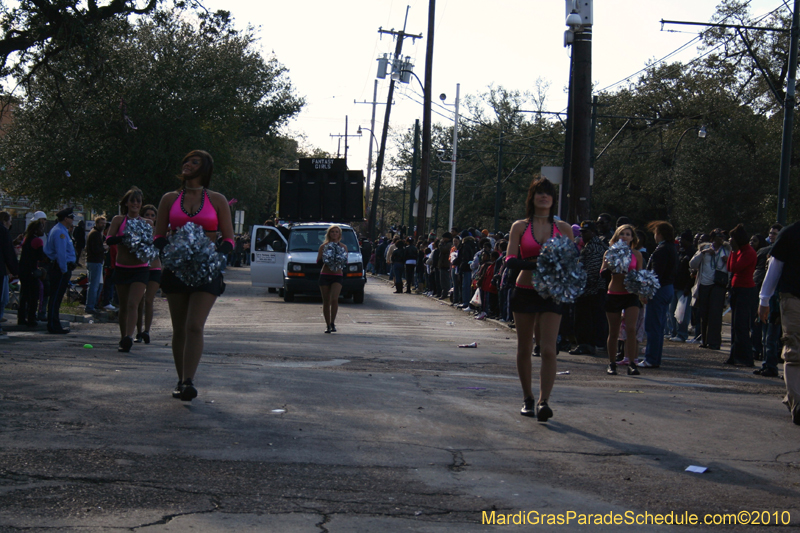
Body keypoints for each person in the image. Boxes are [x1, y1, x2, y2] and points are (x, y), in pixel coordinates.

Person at [154, 150, 234, 402]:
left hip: (206, 270)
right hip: (176, 269)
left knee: (194, 325)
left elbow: (229, 237)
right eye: (186, 160)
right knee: (179, 328)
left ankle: (189, 380)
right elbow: (158, 235)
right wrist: (167, 249)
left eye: (194, 162)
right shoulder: (169, 198)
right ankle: (180, 380)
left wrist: (219, 253)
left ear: (205, 169)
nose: (187, 164)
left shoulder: (217, 199)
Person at [506, 176, 574, 421]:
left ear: (553, 199)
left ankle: (545, 400)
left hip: (552, 293)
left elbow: (571, 262)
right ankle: (528, 398)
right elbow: (510, 260)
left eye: (548, 193)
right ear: (532, 197)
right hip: (524, 290)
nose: (544, 197)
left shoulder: (564, 228)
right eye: (539, 193)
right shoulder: (520, 227)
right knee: (524, 347)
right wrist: (538, 263)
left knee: (548, 349)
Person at [758, 220, 800, 424]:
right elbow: (775, 265)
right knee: (794, 352)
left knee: (794, 353)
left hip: (793, 299)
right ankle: (797, 401)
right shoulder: (790, 233)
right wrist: (764, 299)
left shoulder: (790, 232)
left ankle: (796, 399)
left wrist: (764, 299)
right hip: (793, 299)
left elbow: (775, 266)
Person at [105, 187, 149, 353]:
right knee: (123, 305)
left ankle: (129, 336)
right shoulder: (119, 220)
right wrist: (124, 238)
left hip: (140, 269)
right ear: (126, 203)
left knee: (133, 303)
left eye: (138, 201)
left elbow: (151, 244)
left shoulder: (146, 223)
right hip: (122, 268)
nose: (135, 204)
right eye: (132, 200)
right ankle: (123, 338)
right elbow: (109, 239)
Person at [602, 224, 644, 376]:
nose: (625, 236)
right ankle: (612, 363)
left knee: (631, 329)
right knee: (613, 331)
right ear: (617, 237)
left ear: (633, 238)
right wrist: (611, 267)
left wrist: (643, 290)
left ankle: (632, 363)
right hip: (614, 294)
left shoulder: (637, 254)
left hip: (631, 295)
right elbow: (602, 272)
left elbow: (640, 275)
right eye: (622, 234)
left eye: (628, 234)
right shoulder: (609, 252)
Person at [639, 221, 677, 368]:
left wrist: (646, 292)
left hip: (659, 290)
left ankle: (651, 358)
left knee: (653, 326)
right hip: (668, 288)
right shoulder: (672, 248)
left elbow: (655, 275)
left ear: (660, 234)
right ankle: (655, 357)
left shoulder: (661, 250)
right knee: (659, 326)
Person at [570, 221, 608, 355]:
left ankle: (586, 344)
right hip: (590, 289)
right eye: (581, 232)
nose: (582, 235)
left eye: (584, 232)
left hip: (591, 290)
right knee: (587, 319)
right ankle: (588, 344)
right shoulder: (591, 245)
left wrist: (582, 286)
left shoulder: (595, 247)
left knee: (585, 319)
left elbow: (593, 271)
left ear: (592, 232)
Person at [689, 229, 730, 350]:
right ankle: (704, 340)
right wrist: (703, 253)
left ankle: (715, 342)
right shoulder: (704, 248)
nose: (721, 239)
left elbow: (732, 268)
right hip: (705, 284)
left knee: (716, 313)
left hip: (719, 284)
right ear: (712, 239)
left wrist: (727, 261)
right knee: (704, 313)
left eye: (722, 237)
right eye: (718, 237)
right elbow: (692, 264)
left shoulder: (727, 250)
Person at [725, 223, 757, 367]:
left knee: (741, 326)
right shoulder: (738, 251)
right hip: (736, 288)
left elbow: (735, 267)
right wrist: (733, 252)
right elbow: (730, 267)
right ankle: (734, 356)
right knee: (735, 325)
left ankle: (747, 358)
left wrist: (734, 251)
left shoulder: (748, 252)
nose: (730, 240)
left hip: (745, 290)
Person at [43, 207, 77, 334]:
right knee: (56, 297)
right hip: (59, 269)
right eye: (71, 217)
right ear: (66, 218)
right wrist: (63, 269)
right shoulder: (59, 232)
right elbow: (61, 253)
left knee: (56, 297)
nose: (73, 219)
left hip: (61, 268)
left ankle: (54, 323)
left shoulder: (62, 230)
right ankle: (53, 325)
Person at [135, 205, 161, 344]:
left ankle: (147, 331)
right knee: (138, 301)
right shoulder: (138, 231)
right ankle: (138, 331)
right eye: (147, 215)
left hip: (155, 268)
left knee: (149, 300)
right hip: (141, 268)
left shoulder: (159, 232)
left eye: (152, 215)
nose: (149, 218)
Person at [317, 224, 347, 333]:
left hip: (337, 276)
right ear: (329, 233)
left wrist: (338, 260)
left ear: (339, 234)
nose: (334, 233)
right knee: (326, 301)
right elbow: (318, 261)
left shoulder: (343, 247)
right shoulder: (323, 246)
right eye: (332, 232)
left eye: (336, 232)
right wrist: (328, 259)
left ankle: (333, 322)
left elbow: (345, 262)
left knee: (334, 298)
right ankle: (328, 324)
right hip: (325, 275)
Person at [667, 231, 695, 342]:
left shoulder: (692, 252)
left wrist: (688, 287)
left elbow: (692, 273)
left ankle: (682, 334)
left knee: (683, 313)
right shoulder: (680, 252)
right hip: (675, 285)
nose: (681, 242)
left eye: (683, 240)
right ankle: (674, 332)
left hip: (685, 288)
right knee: (672, 311)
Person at [18, 220, 46, 327]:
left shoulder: (26, 239)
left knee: (24, 295)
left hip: (23, 270)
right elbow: (40, 257)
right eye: (41, 228)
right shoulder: (38, 241)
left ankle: (21, 318)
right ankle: (31, 318)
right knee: (34, 295)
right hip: (32, 271)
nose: (43, 230)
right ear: (36, 230)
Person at [84, 216, 106, 314]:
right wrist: (104, 248)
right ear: (97, 223)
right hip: (94, 261)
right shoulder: (95, 234)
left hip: (96, 262)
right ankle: (90, 306)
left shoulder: (96, 233)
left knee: (98, 285)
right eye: (101, 223)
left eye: (104, 223)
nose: (103, 225)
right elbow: (95, 249)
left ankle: (94, 304)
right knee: (93, 285)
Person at [0, 211, 17, 333]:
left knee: (4, 298)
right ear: (5, 221)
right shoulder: (3, 232)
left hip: (3, 271)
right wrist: (15, 270)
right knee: (2, 298)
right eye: (10, 221)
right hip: (1, 271)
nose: (11, 224)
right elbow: (9, 253)